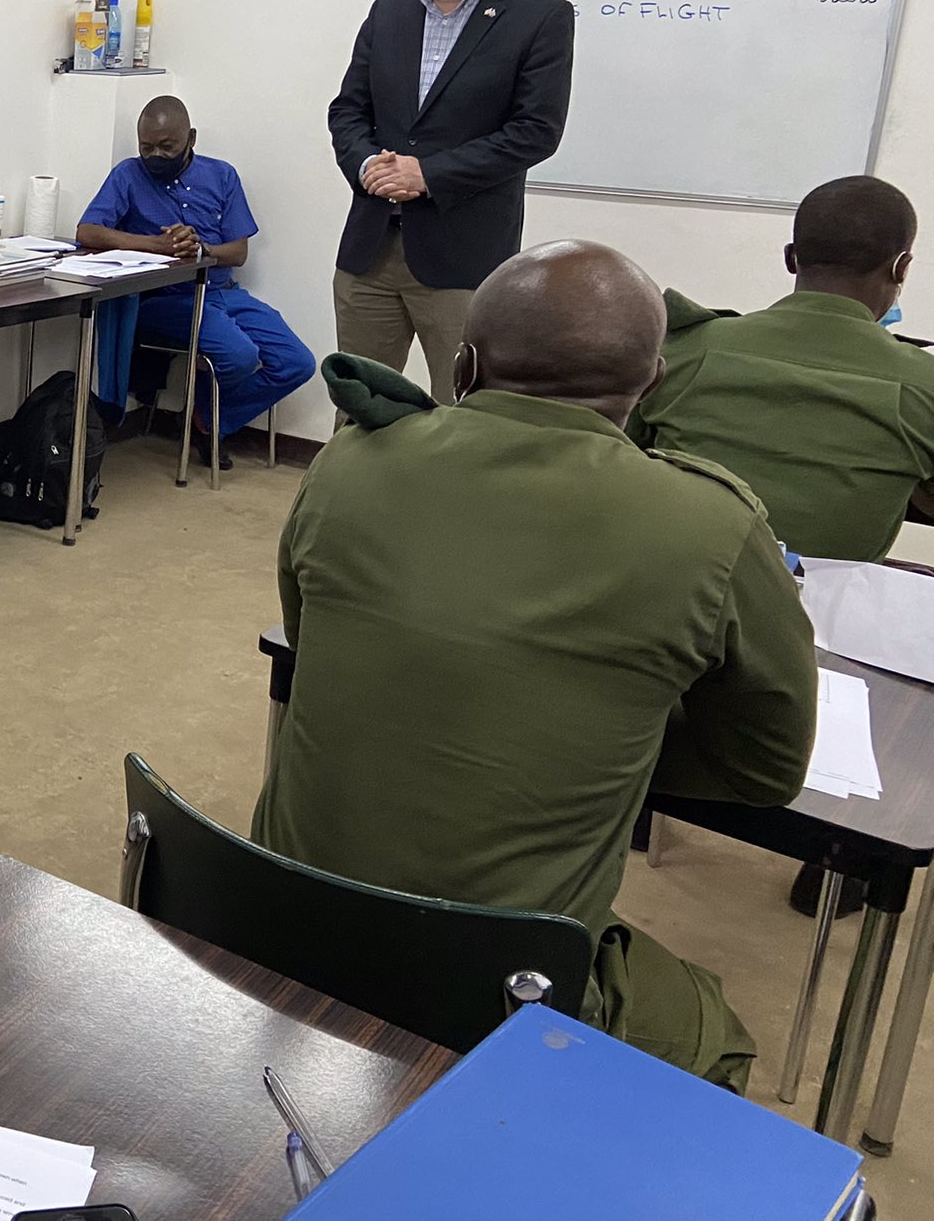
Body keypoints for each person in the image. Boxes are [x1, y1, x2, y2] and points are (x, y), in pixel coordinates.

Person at [252, 240, 817, 1092]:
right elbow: (767, 769)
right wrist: (590, 746)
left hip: (273, 925)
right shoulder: (711, 525)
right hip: (494, 991)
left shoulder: (346, 464)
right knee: (708, 1034)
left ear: (466, 363)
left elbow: (309, 646)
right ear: (651, 381)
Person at [328, 0, 576, 401]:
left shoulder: (539, 16)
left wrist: (428, 174)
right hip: (370, 249)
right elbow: (348, 111)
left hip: (463, 256)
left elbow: (536, 131)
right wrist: (369, 165)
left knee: (462, 411)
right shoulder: (389, 11)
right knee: (359, 409)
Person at [633, 175, 933, 562]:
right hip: (820, 613)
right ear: (901, 268)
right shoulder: (922, 384)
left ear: (791, 257)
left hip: (678, 586)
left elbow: (625, 451)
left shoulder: (684, 351)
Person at [77, 96, 314, 466]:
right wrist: (158, 246)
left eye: (166, 146)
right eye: (146, 147)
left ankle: (205, 419)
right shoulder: (128, 174)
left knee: (297, 362)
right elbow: (88, 231)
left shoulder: (222, 175)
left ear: (191, 138)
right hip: (163, 299)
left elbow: (238, 252)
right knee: (238, 354)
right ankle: (209, 421)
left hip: (221, 290)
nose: (155, 154)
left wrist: (201, 249)